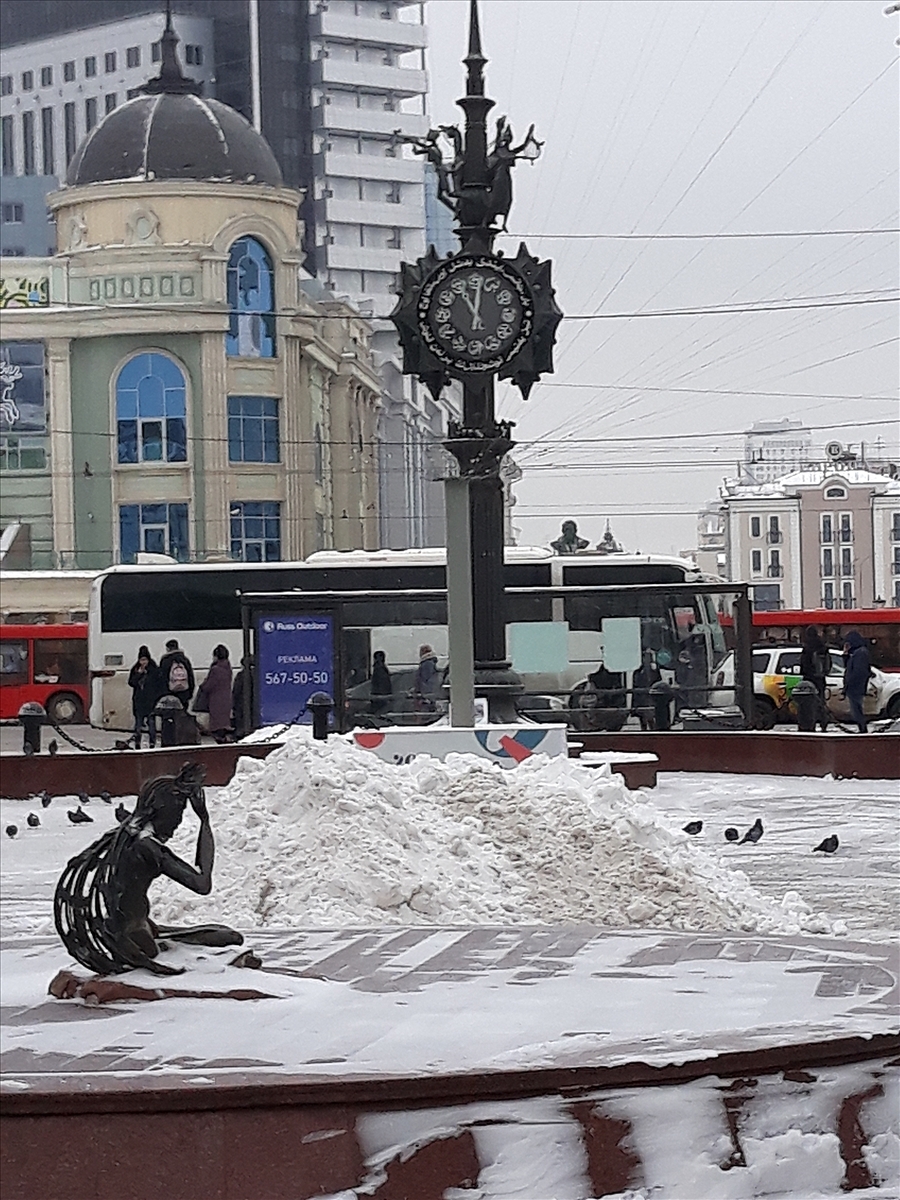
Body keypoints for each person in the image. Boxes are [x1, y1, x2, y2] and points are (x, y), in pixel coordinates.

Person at [194, 644, 233, 743]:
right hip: (226, 699)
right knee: (224, 722)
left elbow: (208, 686)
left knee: (217, 724)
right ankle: (224, 738)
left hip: (216, 701)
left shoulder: (215, 669)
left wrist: (202, 684)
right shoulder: (228, 667)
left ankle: (221, 740)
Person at [127, 646, 162, 749]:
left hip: (150, 701)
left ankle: (152, 742)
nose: (143, 662)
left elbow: (158, 684)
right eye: (141, 660)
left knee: (151, 723)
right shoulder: (135, 669)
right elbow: (131, 682)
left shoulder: (154, 669)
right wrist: (138, 674)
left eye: (145, 660)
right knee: (138, 723)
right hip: (139, 701)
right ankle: (137, 741)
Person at [799, 625, 830, 731]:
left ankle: (810, 724)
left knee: (809, 704)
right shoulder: (823, 647)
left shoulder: (807, 648)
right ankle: (824, 722)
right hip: (821, 678)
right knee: (821, 701)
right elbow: (828, 664)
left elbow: (804, 664)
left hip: (809, 678)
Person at [842, 631, 871, 734]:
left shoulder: (860, 653)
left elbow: (859, 670)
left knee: (856, 709)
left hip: (856, 686)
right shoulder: (855, 653)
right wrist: (845, 654)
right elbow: (847, 666)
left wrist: (850, 682)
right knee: (855, 709)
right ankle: (862, 728)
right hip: (854, 686)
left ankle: (862, 729)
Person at [159, 639, 195, 711]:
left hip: (169, 693)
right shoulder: (185, 660)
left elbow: (162, 679)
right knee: (182, 716)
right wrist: (190, 692)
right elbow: (191, 677)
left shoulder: (165, 661)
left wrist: (163, 693)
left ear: (168, 648)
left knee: (169, 716)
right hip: (184, 692)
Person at [631, 649, 662, 730]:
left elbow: (658, 682)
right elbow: (635, 687)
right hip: (641, 699)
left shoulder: (654, 671)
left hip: (650, 698)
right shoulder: (638, 672)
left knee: (650, 718)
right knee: (643, 719)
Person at [414, 644, 441, 712]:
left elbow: (425, 680)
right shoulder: (431, 663)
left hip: (427, 696)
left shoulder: (426, 664)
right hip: (431, 695)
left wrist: (424, 696)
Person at [231, 656, 250, 741]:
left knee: (240, 718)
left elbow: (236, 690)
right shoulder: (258, 674)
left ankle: (240, 733)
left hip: (241, 702)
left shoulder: (241, 675)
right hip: (253, 703)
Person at [370, 650, 392, 715]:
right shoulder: (382, 668)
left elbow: (380, 683)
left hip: (379, 696)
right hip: (382, 696)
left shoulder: (378, 669)